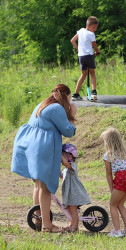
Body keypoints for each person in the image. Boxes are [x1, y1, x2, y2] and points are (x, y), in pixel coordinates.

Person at [11, 84, 77, 233]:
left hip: (32, 146)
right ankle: (47, 225)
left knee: (38, 185)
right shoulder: (57, 108)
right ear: (65, 96)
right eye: (69, 97)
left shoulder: (43, 104)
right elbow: (68, 131)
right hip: (43, 149)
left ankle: (38, 219)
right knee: (46, 187)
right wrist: (72, 115)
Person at [100, 127, 126, 237]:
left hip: (121, 178)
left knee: (113, 205)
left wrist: (112, 188)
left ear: (108, 142)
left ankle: (117, 230)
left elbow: (109, 174)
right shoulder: (124, 153)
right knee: (120, 204)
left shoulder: (108, 155)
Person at [60, 143, 91, 233]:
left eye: (63, 155)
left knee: (73, 210)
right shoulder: (66, 169)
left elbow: (66, 163)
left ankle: (75, 227)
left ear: (70, 156)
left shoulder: (72, 166)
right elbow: (62, 176)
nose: (62, 158)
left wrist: (59, 155)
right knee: (70, 209)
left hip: (75, 193)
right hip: (70, 193)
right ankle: (71, 224)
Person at [70, 16, 101, 101]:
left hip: (81, 56)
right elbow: (94, 46)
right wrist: (97, 51)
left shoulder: (80, 31)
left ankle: (76, 94)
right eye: (93, 27)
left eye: (96, 28)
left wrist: (78, 49)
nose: (94, 29)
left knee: (83, 75)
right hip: (89, 56)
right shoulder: (91, 34)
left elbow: (72, 40)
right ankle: (93, 92)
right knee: (92, 73)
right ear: (88, 26)